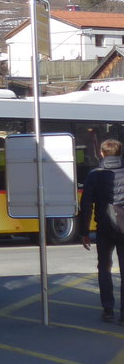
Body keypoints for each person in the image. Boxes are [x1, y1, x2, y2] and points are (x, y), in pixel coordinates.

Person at [76, 138, 124, 322]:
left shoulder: (94, 175)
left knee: (104, 267)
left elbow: (86, 205)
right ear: (120, 153)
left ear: (101, 153)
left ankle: (108, 310)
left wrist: (84, 232)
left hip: (104, 227)